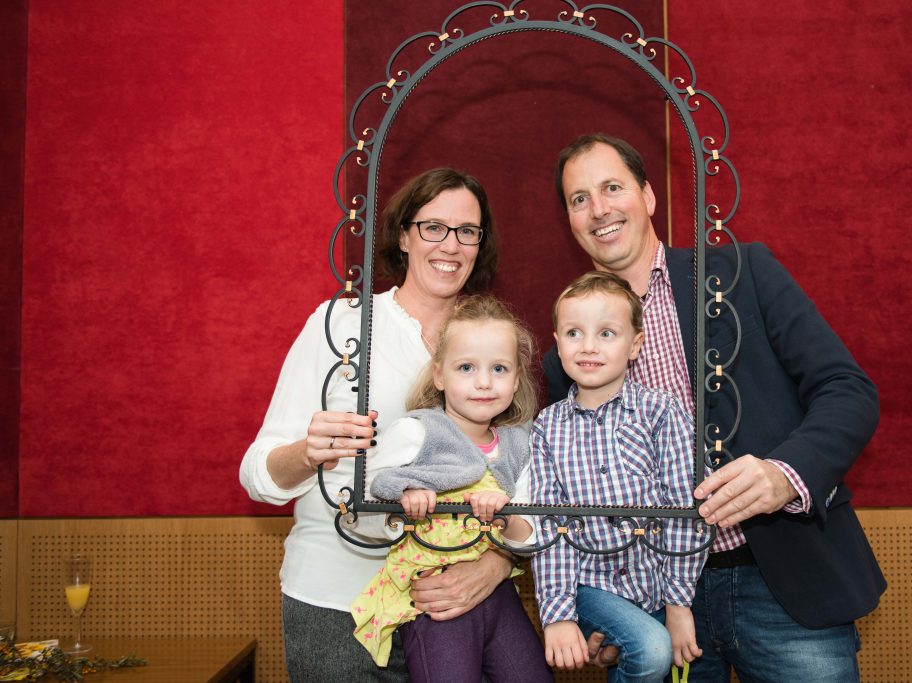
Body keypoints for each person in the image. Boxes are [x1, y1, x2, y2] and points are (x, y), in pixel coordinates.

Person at [543, 133, 886, 681]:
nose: (599, 208)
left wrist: (785, 474)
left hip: (782, 578)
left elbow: (847, 389)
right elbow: (567, 501)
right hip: (654, 602)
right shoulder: (567, 357)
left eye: (612, 188)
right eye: (579, 198)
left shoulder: (740, 273)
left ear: (648, 196)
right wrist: (603, 615)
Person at [240, 168, 517, 682]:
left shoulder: (491, 338)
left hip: (452, 607)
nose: (450, 245)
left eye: (467, 231)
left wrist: (497, 563)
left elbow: (517, 475)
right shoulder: (342, 325)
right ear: (404, 236)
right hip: (337, 603)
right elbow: (258, 475)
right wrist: (307, 452)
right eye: (433, 227)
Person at [347, 294, 552, 682]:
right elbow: (363, 505)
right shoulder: (416, 432)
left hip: (499, 595)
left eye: (499, 368)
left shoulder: (521, 443)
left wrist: (506, 518)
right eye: (466, 367)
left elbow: (531, 535)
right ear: (439, 375)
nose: (483, 382)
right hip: (435, 600)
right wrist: (404, 505)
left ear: (516, 380)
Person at [531, 270, 707, 682]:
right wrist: (558, 615)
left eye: (607, 333)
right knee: (651, 648)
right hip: (588, 585)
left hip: (657, 584)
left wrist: (679, 603)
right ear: (557, 343)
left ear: (635, 345)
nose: (588, 346)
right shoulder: (547, 427)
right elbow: (550, 525)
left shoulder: (661, 412)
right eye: (574, 333)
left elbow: (687, 508)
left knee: (655, 661)